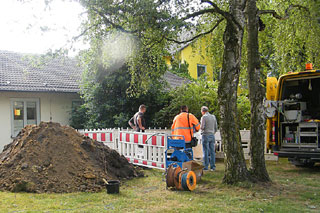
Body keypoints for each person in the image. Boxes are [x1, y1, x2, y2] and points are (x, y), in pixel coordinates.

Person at [200, 106, 218, 171]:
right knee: (212, 151)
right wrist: (213, 132)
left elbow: (202, 127)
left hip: (205, 135)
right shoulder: (213, 117)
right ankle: (213, 167)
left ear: (203, 111)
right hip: (212, 135)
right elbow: (216, 127)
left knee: (206, 151)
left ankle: (206, 166)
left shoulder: (204, 117)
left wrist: (201, 130)